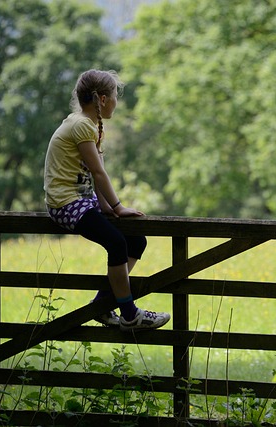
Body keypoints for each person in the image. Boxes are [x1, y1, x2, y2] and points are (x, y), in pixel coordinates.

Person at [43, 69, 170, 332]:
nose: (116, 102)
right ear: (102, 99)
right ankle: (130, 314)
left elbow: (93, 171)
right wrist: (118, 207)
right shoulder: (81, 126)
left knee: (136, 240)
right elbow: (99, 173)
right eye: (114, 96)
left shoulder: (88, 126)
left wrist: (105, 207)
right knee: (116, 242)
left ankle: (102, 304)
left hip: (83, 201)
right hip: (65, 203)